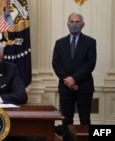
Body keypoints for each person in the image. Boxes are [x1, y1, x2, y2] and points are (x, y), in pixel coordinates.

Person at [52, 12, 97, 141]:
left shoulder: (90, 42)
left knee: (85, 119)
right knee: (66, 119)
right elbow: (56, 63)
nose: (74, 24)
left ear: (83, 25)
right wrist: (68, 80)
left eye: (77, 22)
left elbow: (90, 64)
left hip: (84, 87)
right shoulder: (60, 43)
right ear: (67, 24)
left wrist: (75, 79)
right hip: (65, 87)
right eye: (71, 21)